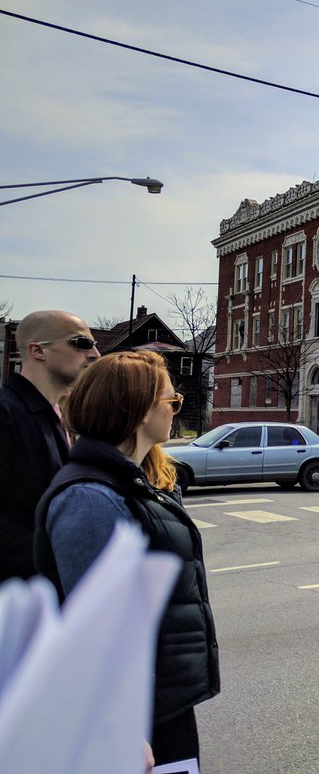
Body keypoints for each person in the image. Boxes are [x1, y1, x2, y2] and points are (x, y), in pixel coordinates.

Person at [33, 351, 219, 769]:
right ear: (138, 410)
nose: (176, 411)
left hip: (160, 701)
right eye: (172, 402)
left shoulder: (137, 480)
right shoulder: (90, 498)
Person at [0, 310, 102, 583]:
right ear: (38, 350)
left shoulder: (55, 417)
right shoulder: (6, 413)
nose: (94, 355)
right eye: (82, 343)